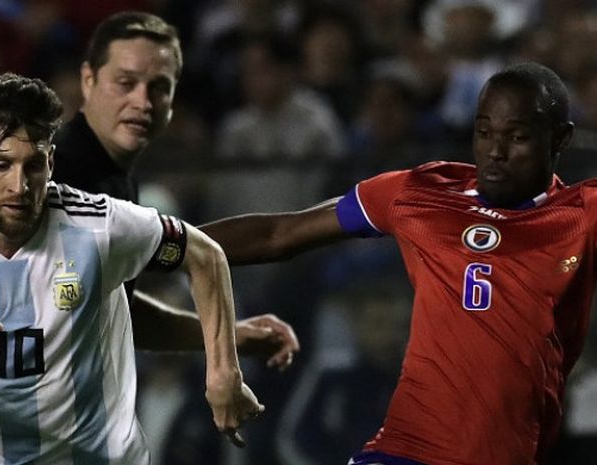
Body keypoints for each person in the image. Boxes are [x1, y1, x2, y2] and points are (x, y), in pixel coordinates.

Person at [200, 61, 587, 465]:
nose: (495, 151)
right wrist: (163, 242)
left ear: (560, 139)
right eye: (484, 132)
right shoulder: (422, 193)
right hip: (402, 452)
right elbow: (278, 234)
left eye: (518, 136)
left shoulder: (581, 215)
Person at [0, 73, 263, 463]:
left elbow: (204, 254)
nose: (19, 185)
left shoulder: (97, 225)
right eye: (1, 164)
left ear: (51, 162)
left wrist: (224, 372)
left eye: (33, 165)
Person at [53, 11, 299, 367]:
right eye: (126, 82)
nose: (143, 101)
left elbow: (116, 311)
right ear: (88, 80)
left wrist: (231, 336)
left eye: (159, 87)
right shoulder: (61, 171)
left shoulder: (113, 175)